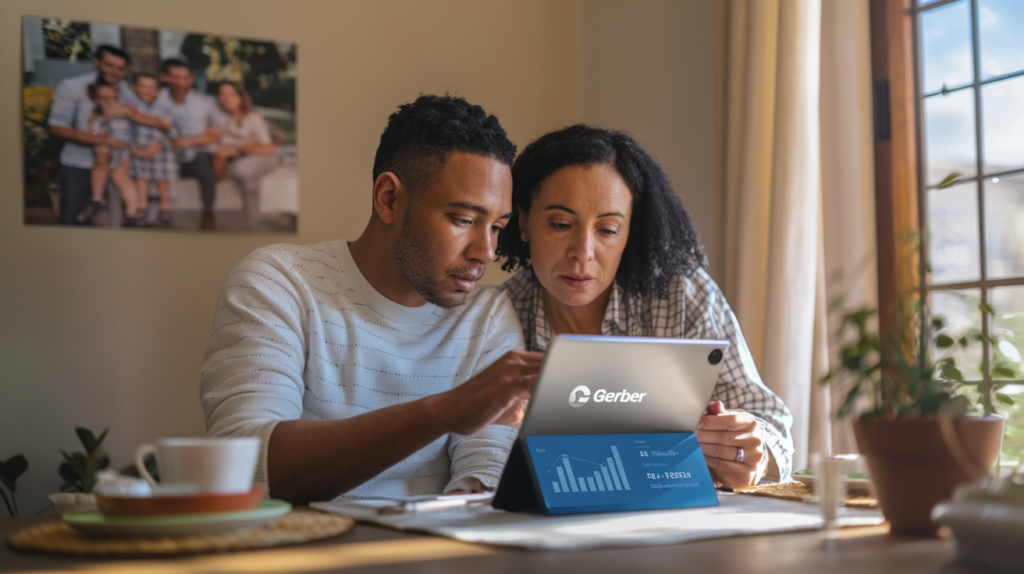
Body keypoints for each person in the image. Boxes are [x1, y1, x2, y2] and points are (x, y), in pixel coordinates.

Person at [200, 95, 542, 505]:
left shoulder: (485, 316)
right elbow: (247, 467)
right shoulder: (279, 282)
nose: (485, 252)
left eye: (497, 227)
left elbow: (486, 470)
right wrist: (444, 412)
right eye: (464, 220)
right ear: (388, 199)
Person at [495, 125, 794, 489]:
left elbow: (772, 425)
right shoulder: (496, 315)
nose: (583, 253)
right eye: (560, 224)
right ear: (523, 220)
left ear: (630, 232)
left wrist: (752, 451)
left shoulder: (682, 295)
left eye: (607, 230)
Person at [47, 45, 170, 225]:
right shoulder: (72, 87)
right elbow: (57, 128)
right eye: (109, 65)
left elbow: (138, 119)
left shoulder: (126, 91)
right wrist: (103, 140)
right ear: (97, 62)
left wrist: (155, 136)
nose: (115, 72)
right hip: (79, 164)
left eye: (120, 68)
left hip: (118, 163)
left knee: (106, 223)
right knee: (73, 220)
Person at [155, 59, 224, 229]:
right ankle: (158, 211)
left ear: (191, 79)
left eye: (185, 78)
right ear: (165, 77)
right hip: (163, 153)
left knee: (204, 165)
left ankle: (208, 209)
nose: (181, 82)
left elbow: (215, 135)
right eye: (175, 77)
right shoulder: (157, 99)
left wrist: (187, 141)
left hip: (193, 155)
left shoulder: (204, 102)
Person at [212, 81, 278, 229]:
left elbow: (268, 148)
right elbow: (217, 150)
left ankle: (252, 223)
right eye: (222, 94)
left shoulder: (252, 117)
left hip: (262, 159)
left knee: (241, 167)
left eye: (232, 94)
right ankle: (253, 223)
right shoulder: (220, 121)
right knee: (248, 178)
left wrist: (237, 150)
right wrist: (248, 145)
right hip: (239, 164)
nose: (226, 98)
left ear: (241, 97)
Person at [75, 83, 141, 226]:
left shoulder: (125, 111)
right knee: (101, 152)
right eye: (103, 98)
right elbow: (93, 135)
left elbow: (134, 129)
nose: (109, 101)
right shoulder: (95, 117)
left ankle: (132, 214)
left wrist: (132, 150)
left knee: (123, 180)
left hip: (124, 151)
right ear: (95, 98)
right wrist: (97, 132)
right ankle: (97, 198)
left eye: (112, 97)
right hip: (106, 150)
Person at [128, 72, 177, 225]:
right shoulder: (131, 108)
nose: (147, 91)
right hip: (138, 149)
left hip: (159, 149)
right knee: (142, 175)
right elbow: (123, 130)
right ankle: (142, 204)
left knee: (162, 175)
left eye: (152, 87)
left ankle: (165, 205)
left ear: (157, 90)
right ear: (134, 88)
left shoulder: (164, 108)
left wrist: (159, 144)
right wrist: (132, 147)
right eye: (143, 86)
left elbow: (172, 132)